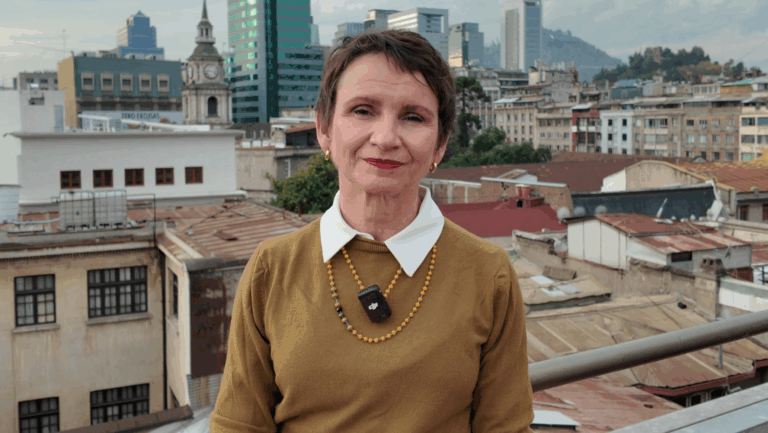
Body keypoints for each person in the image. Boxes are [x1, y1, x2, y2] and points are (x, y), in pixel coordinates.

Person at [210, 30, 534, 433]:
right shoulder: (271, 270)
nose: (385, 138)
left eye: (413, 117)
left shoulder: (489, 275)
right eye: (363, 111)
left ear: (440, 144)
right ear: (324, 128)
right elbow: (239, 426)